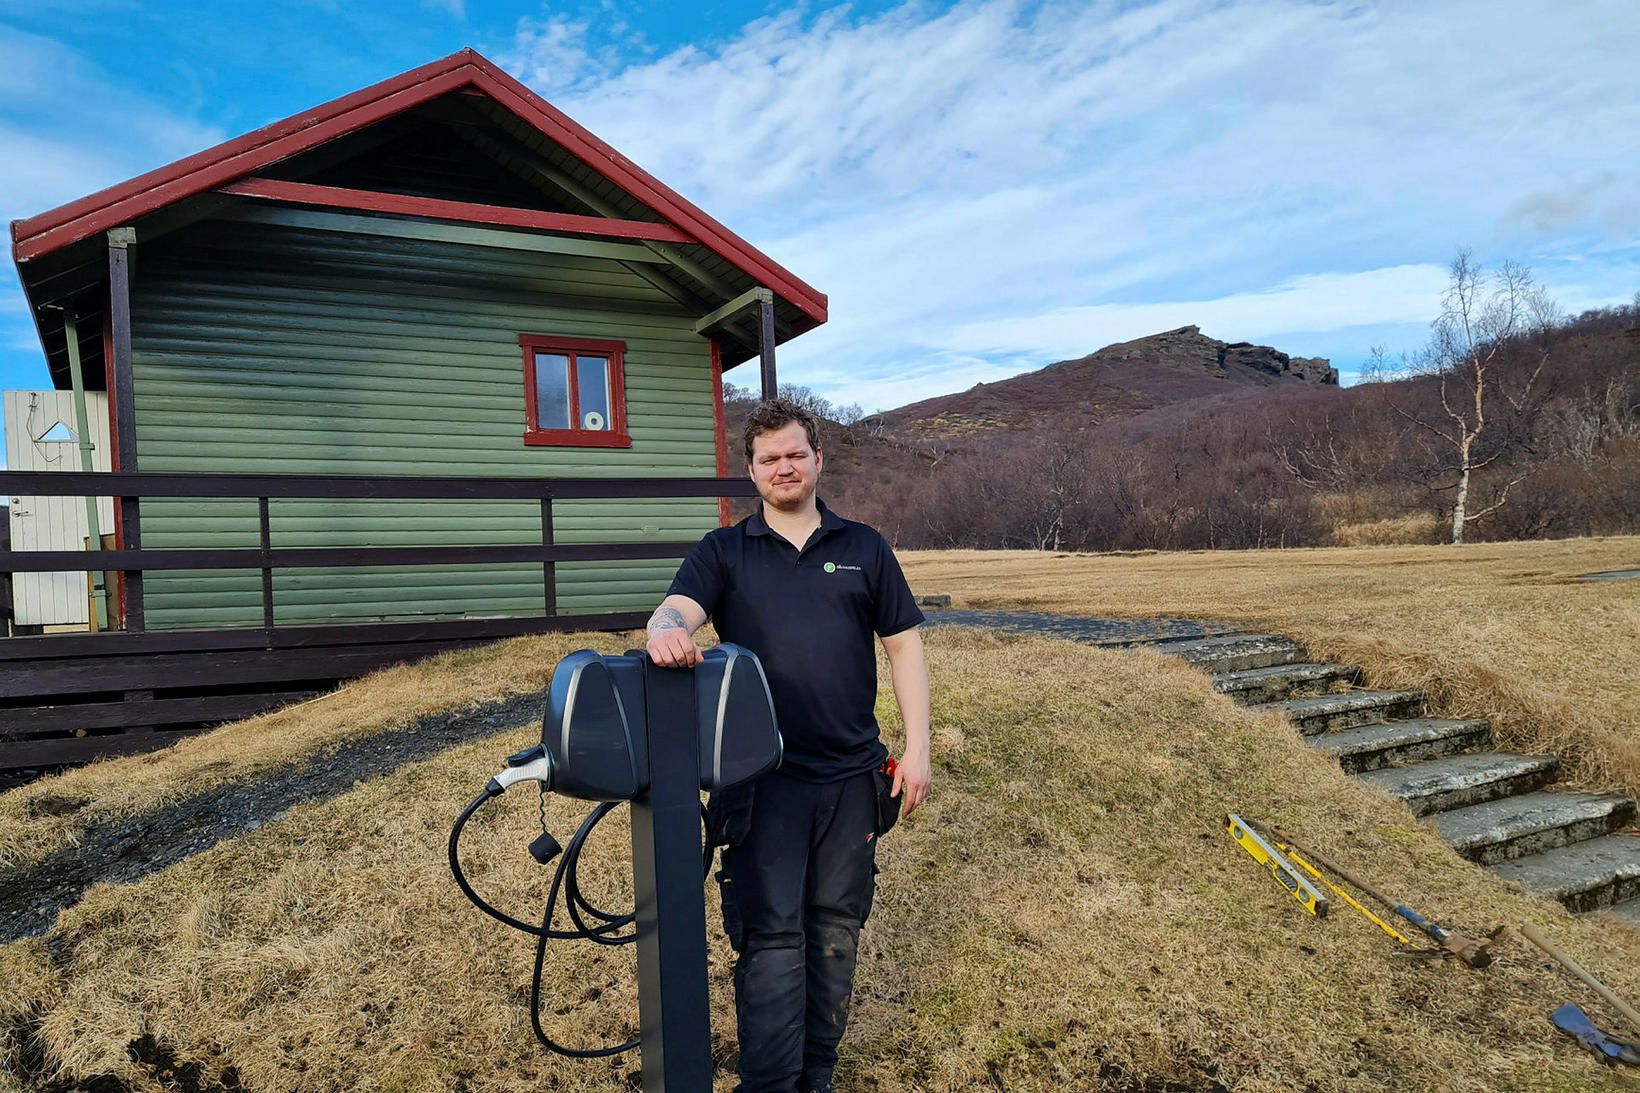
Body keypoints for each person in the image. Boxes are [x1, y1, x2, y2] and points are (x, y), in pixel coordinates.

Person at [645, 397, 932, 1093]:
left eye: (795, 454)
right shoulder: (724, 552)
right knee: (772, 938)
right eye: (769, 457)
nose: (784, 466)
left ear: (818, 460)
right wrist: (664, 628)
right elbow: (677, 606)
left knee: (835, 931)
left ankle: (818, 1075)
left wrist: (918, 748)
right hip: (761, 779)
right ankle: (770, 1084)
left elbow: (904, 647)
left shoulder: (864, 548)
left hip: (851, 779)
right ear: (751, 469)